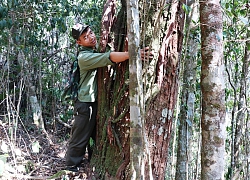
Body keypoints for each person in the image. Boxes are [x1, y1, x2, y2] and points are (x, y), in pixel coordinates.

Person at [65, 23, 151, 172]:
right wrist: (133, 54)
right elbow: (108, 58)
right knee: (79, 137)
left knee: (93, 136)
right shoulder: (84, 57)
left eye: (91, 33)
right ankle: (71, 168)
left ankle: (91, 163)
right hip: (85, 105)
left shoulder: (92, 51)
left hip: (92, 102)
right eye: (85, 37)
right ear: (79, 42)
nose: (91, 37)